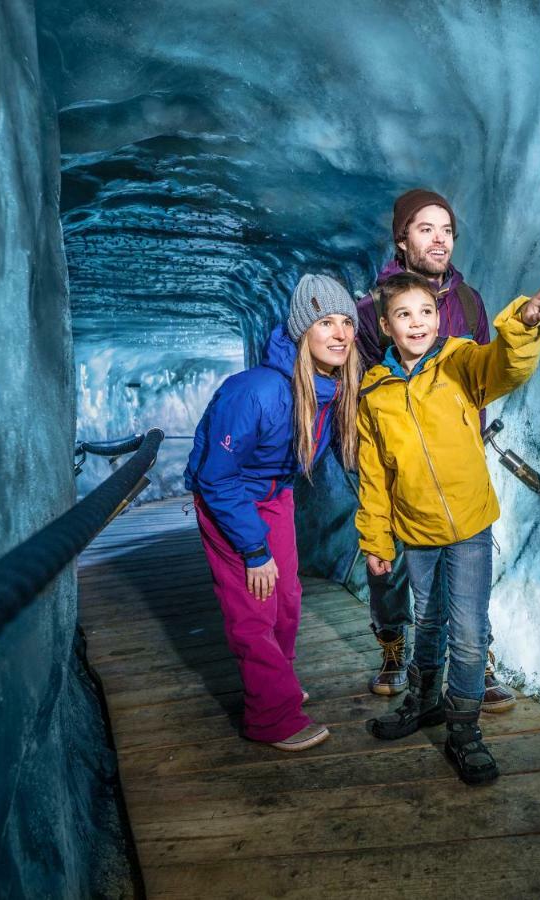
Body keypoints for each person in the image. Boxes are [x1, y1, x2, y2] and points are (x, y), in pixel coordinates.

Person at [356, 272, 540, 784]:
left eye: (425, 311)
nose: (417, 322)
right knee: (426, 622)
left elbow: (504, 366)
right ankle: (423, 702)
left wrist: (523, 324)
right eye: (404, 314)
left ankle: (465, 729)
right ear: (386, 325)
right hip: (417, 532)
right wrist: (377, 540)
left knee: (468, 634)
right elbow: (375, 475)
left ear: (438, 316)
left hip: (469, 526)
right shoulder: (375, 392)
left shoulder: (460, 361)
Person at [355, 188, 516, 714]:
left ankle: (475, 663)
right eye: (425, 228)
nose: (439, 239)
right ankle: (395, 649)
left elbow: (482, 374)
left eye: (446, 229)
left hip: (453, 459)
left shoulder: (468, 303)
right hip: (395, 458)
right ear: (402, 240)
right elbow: (360, 385)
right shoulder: (368, 310)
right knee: (394, 571)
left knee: (466, 574)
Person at [184, 274, 359, 751]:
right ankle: (269, 717)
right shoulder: (257, 391)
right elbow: (216, 477)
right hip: (228, 497)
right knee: (253, 606)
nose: (341, 333)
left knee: (287, 597)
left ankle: (275, 683)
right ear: (304, 330)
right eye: (326, 322)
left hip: (275, 494)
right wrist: (254, 549)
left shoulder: (329, 389)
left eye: (347, 322)